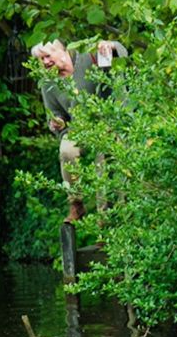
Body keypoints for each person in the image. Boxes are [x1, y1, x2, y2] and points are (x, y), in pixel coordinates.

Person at [31, 38, 127, 223]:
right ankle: (76, 204)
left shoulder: (87, 57)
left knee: (104, 163)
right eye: (41, 60)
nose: (44, 62)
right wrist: (57, 122)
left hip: (105, 124)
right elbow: (55, 114)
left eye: (47, 56)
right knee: (66, 150)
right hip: (78, 128)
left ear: (61, 50)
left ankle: (106, 221)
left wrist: (110, 46)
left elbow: (122, 52)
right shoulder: (47, 82)